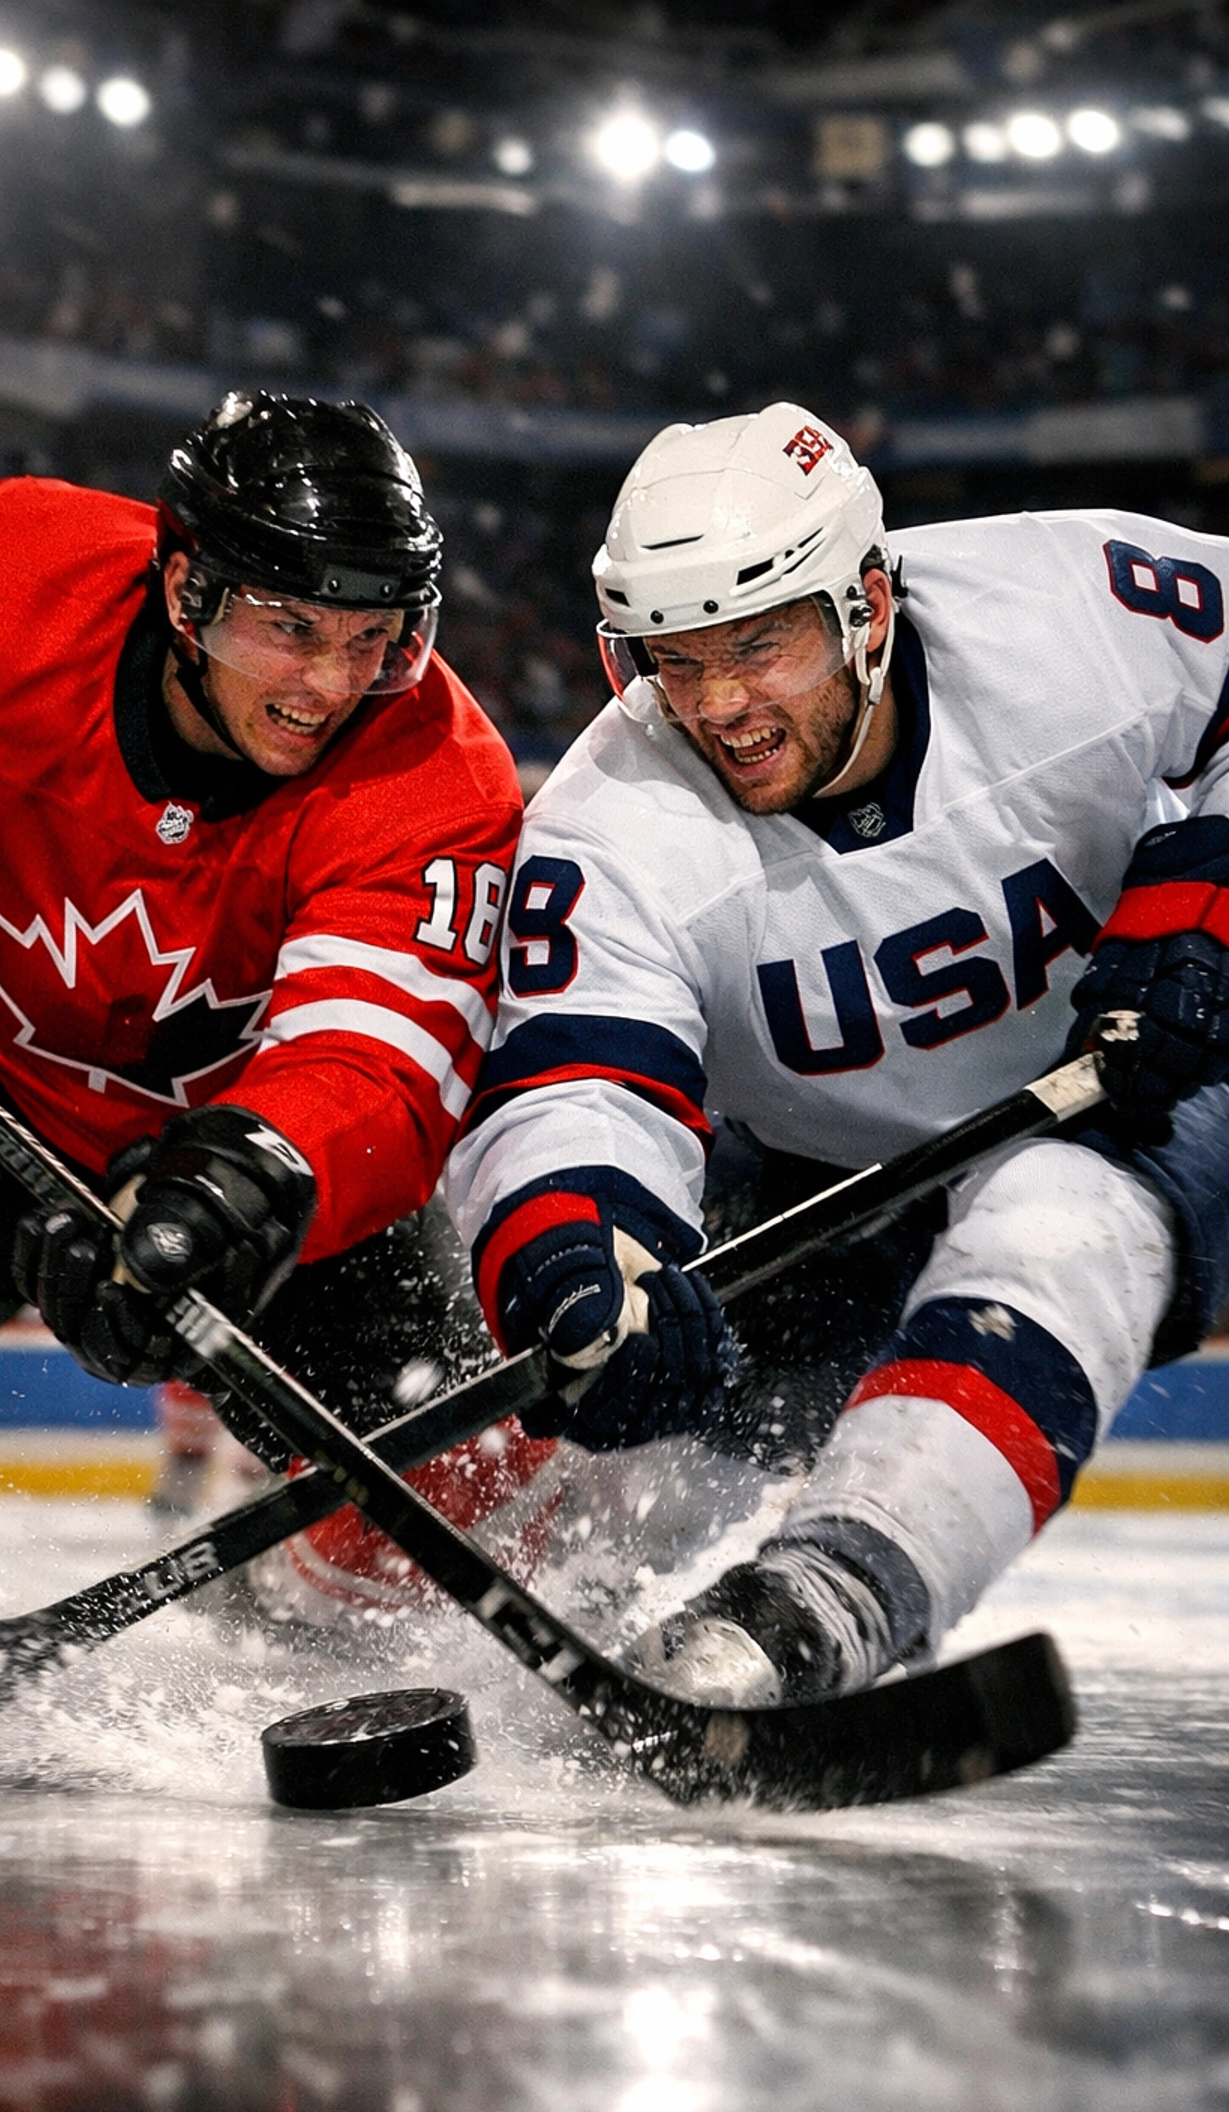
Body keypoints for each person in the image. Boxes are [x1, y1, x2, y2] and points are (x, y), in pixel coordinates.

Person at [0, 391, 549, 1586]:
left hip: (246, 1171)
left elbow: (381, 1062)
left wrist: (252, 1180)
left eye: (375, 637)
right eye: (290, 628)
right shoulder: (5, 570)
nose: (332, 686)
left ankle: (291, 1617)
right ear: (185, 584)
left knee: (452, 1505)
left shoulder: (440, 779)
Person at [445, 401, 1229, 1705]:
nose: (720, 706)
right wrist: (579, 1251)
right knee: (653, 1422)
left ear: (869, 602)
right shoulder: (612, 821)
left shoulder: (1075, 611)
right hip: (838, 1175)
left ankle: (834, 1600)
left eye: (759, 645)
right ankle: (383, 1612)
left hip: (1144, 1082)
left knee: (1063, 1215)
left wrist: (1206, 899)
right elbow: (569, 1080)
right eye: (675, 660)